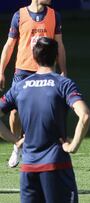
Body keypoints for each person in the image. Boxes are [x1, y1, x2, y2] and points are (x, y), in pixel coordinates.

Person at [0, 37, 90, 203]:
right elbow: (85, 115)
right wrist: (73, 146)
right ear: (56, 57)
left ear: (34, 58)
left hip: (28, 168)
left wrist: (16, 140)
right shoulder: (64, 84)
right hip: (56, 166)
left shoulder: (19, 87)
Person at [0, 0, 67, 168]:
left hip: (45, 71)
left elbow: (59, 45)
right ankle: (18, 146)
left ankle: (48, 150)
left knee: (45, 112)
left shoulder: (54, 15)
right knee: (14, 113)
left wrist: (63, 70)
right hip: (23, 72)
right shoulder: (19, 15)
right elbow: (9, 46)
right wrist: (1, 71)